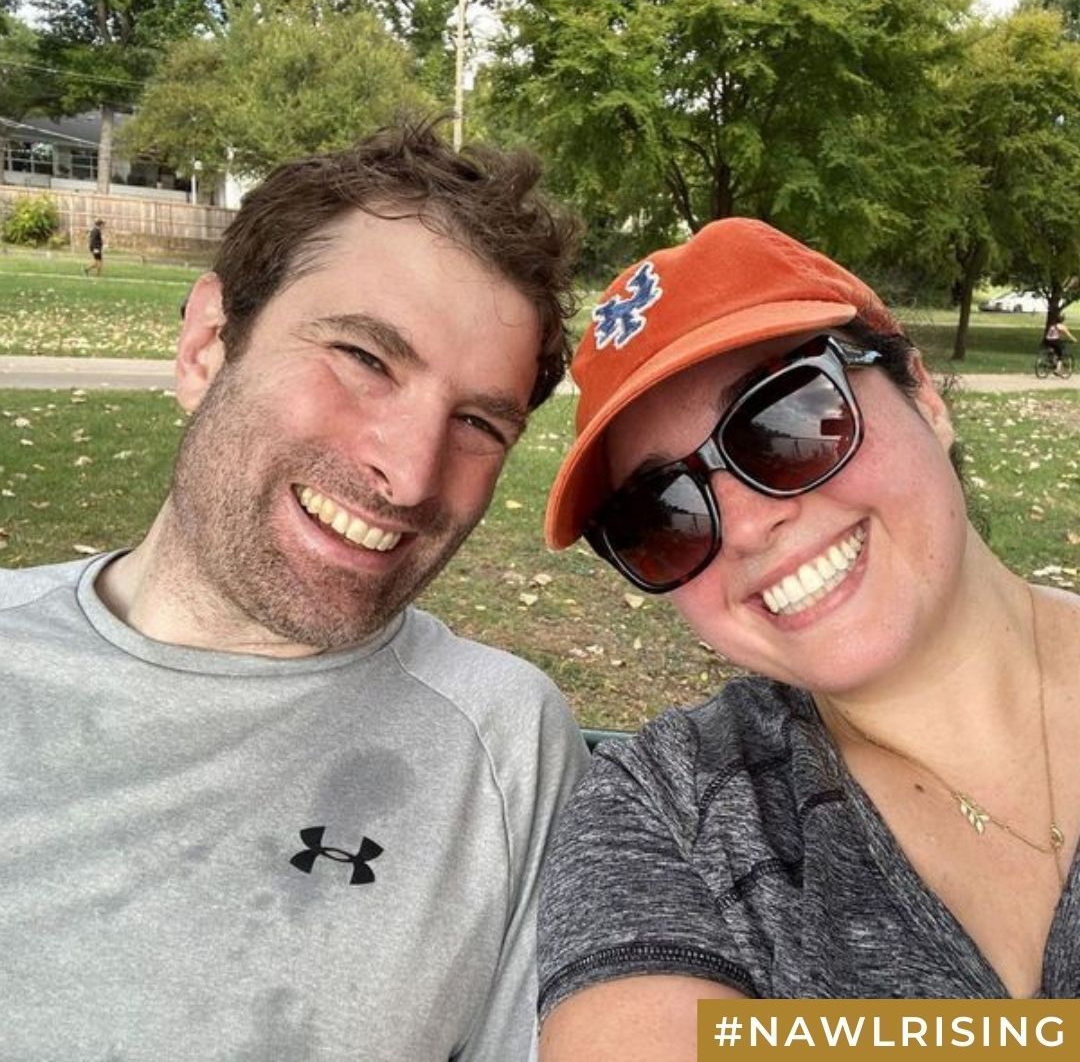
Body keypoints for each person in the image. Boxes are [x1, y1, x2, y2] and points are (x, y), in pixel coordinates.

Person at [1, 121, 588, 1061]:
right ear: (205, 348)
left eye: (479, 421)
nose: (409, 474)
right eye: (364, 358)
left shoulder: (504, 747)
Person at [536, 218, 1080, 1055]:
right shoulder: (667, 812)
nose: (750, 528)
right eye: (662, 514)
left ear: (924, 399)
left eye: (787, 419)